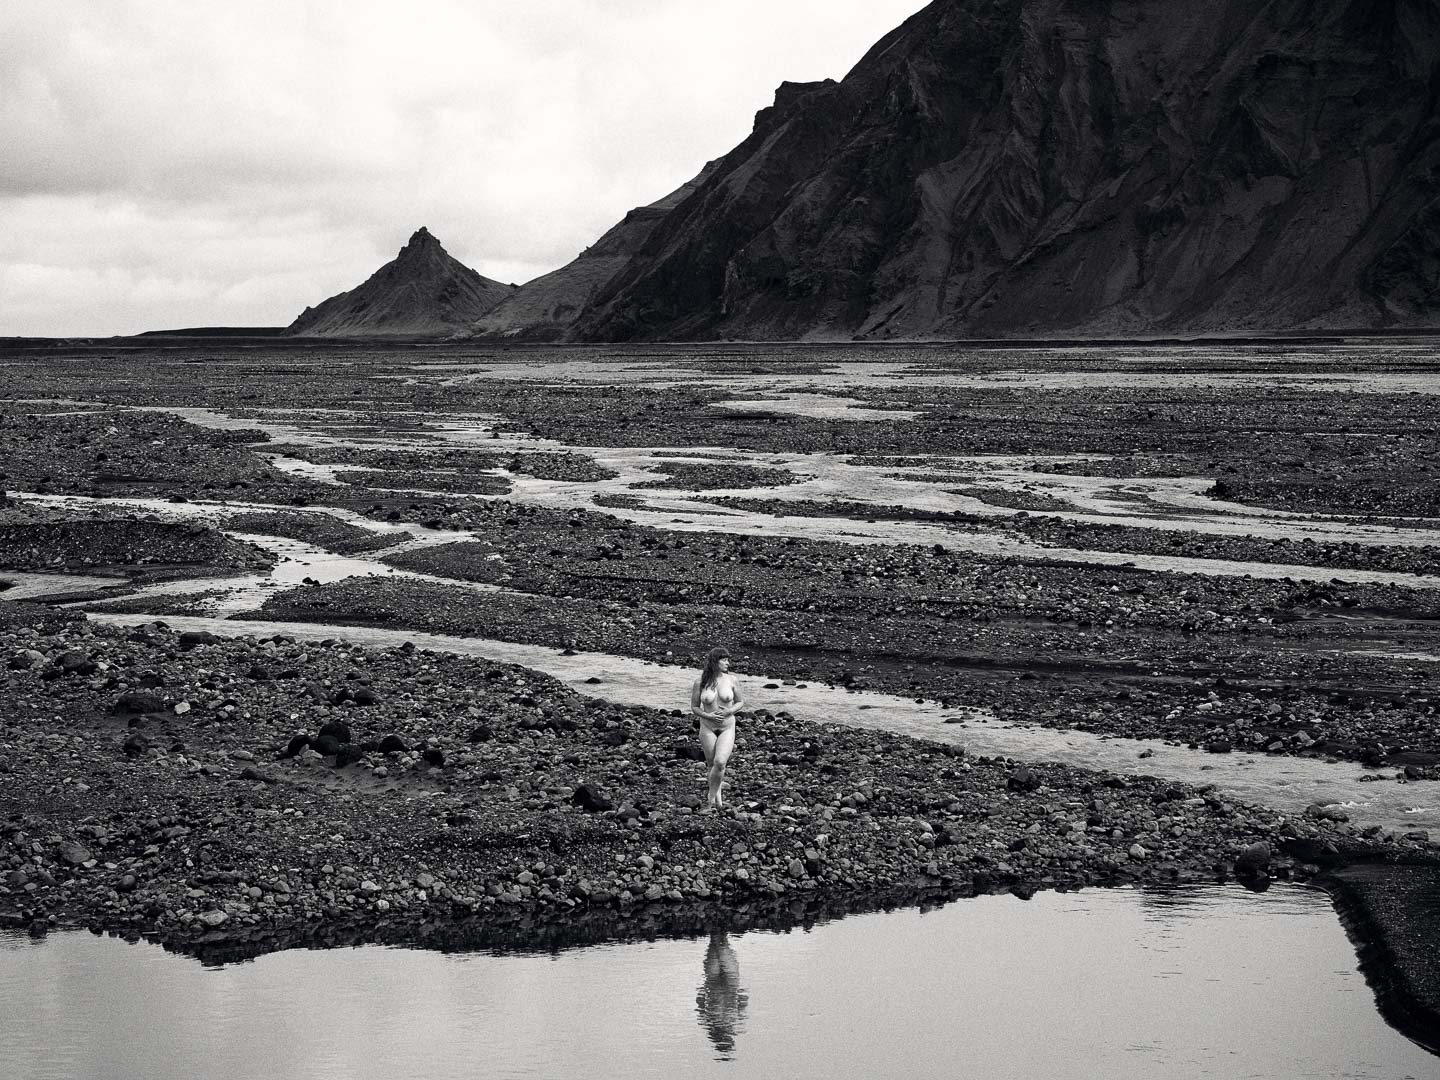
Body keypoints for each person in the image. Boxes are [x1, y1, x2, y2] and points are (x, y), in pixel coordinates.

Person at [690, 646, 745, 809]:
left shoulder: (732, 680)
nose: (728, 663)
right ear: (715, 661)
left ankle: (711, 796)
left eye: (728, 660)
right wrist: (708, 715)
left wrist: (729, 711)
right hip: (707, 727)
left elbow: (740, 702)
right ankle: (717, 800)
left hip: (727, 727)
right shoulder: (700, 682)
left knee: (720, 762)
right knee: (711, 764)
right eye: (724, 660)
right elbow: (695, 707)